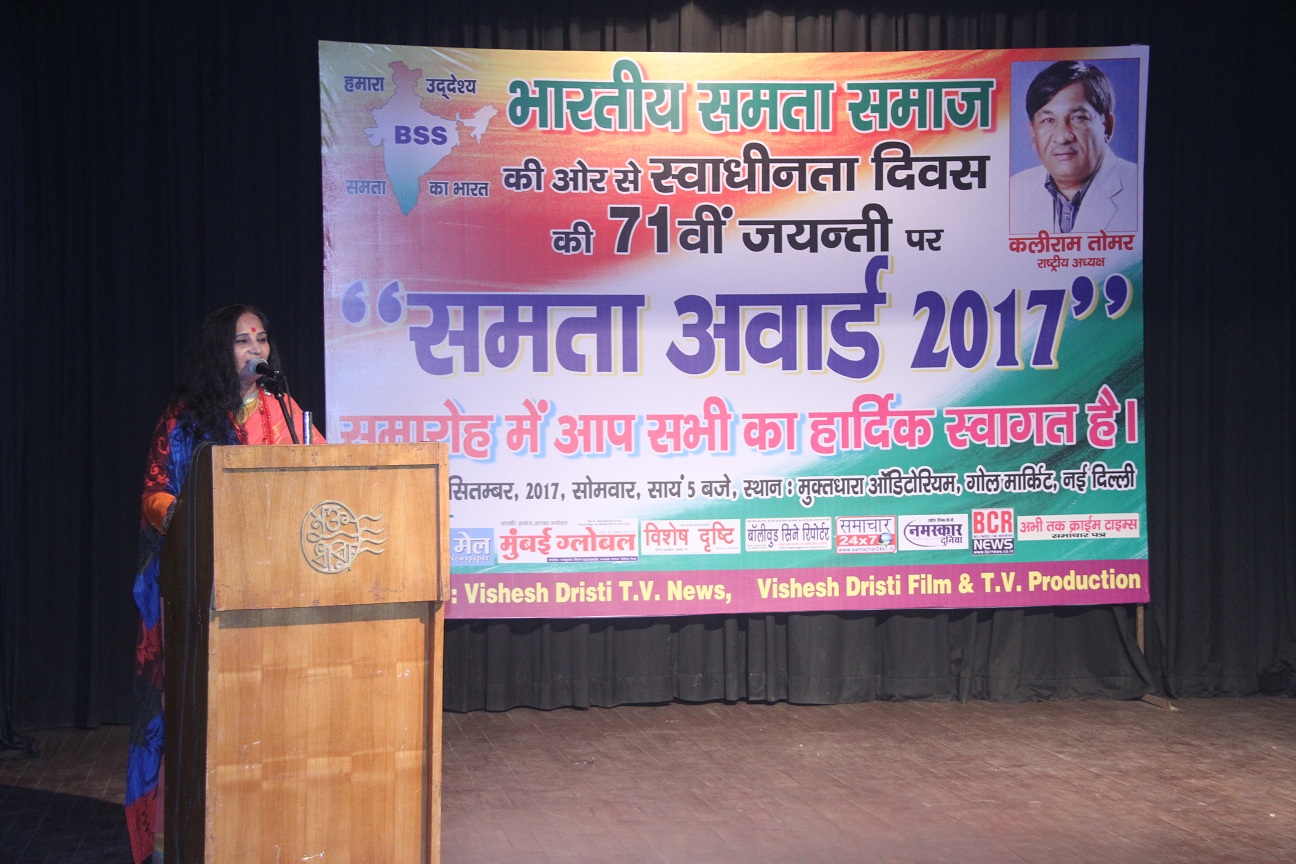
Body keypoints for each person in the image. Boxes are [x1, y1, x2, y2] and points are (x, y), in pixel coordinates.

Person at [124, 304, 322, 864]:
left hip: (271, 588)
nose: (256, 349)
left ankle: (262, 830)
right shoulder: (186, 418)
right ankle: (182, 836)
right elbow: (154, 493)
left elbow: (323, 471)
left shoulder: (285, 412)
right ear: (220, 350)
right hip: (200, 591)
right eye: (242, 340)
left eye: (261, 338)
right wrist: (186, 517)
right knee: (198, 717)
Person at [1009, 60, 1138, 234]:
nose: (1062, 137)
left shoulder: (1138, 187)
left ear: (1107, 127)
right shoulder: (1013, 192)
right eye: (1048, 120)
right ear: (1033, 134)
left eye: (1078, 118)